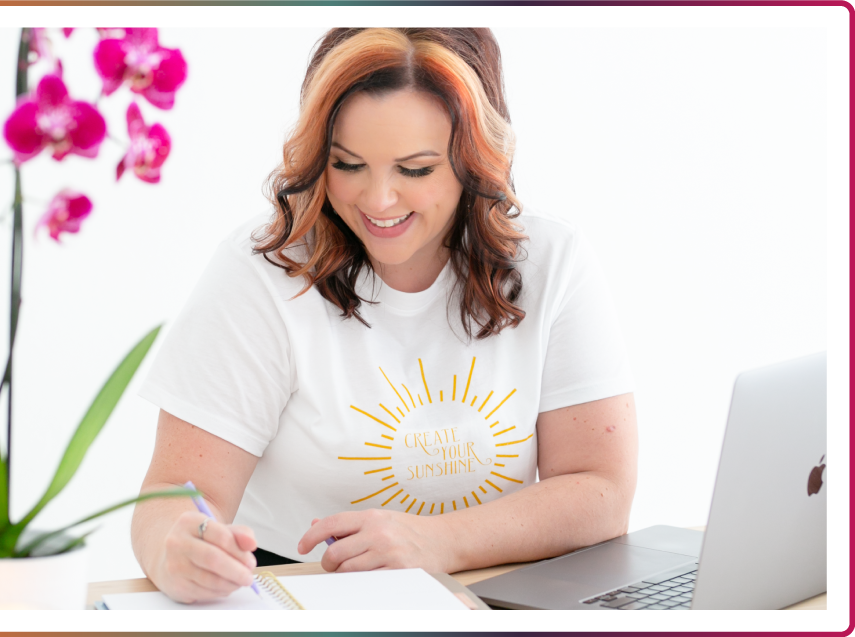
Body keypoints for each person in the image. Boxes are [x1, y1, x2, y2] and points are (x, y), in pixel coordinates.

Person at [131, 27, 637, 604]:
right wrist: (179, 545)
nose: (377, 201)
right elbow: (172, 492)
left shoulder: (551, 260)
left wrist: (438, 543)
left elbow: (601, 491)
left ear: (476, 160)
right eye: (347, 165)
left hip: (492, 599)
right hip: (302, 604)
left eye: (415, 170)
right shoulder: (263, 273)